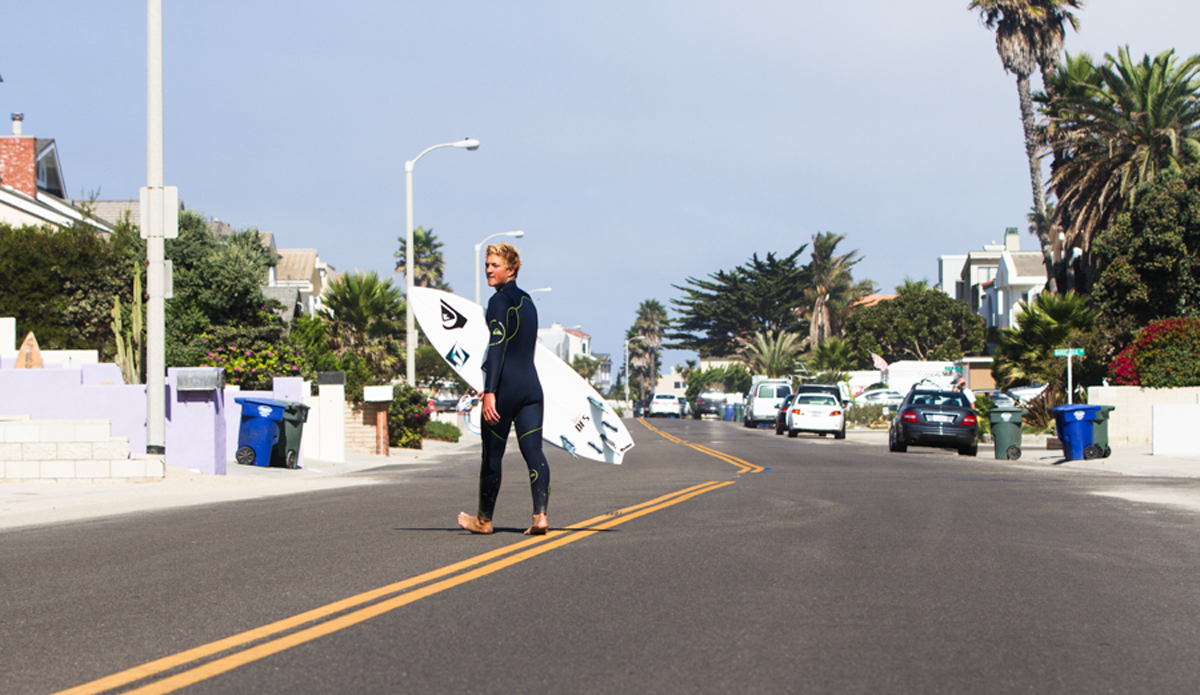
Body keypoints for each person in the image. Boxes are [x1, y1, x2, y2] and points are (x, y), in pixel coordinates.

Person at [457, 243, 550, 536]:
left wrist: (490, 391)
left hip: (505, 390)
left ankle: (483, 521)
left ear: (510, 269)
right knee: (534, 452)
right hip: (532, 389)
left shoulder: (499, 302)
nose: (488, 270)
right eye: (487, 265)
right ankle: (540, 516)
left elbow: (497, 347)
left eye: (494, 265)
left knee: (492, 456)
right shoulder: (528, 303)